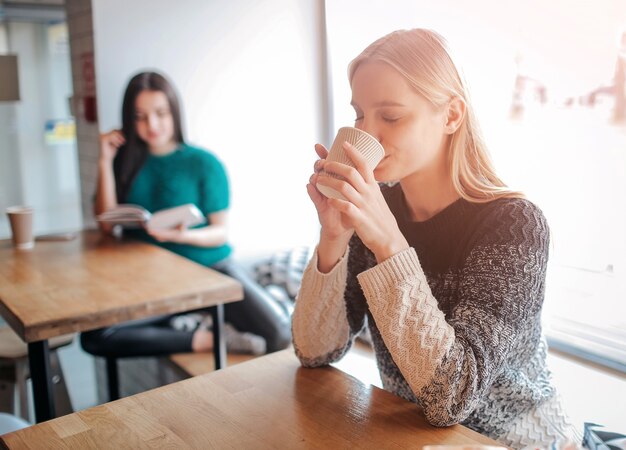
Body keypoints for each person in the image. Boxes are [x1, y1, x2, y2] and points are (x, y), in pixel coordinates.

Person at [292, 29, 581, 449]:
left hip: (519, 441)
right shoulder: (374, 212)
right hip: (417, 436)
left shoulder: (515, 226)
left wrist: (389, 244)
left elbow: (452, 395)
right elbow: (314, 352)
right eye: (359, 115)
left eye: (390, 117)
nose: (367, 134)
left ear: (451, 116)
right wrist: (333, 238)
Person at [81, 71, 291, 358]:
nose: (151, 125)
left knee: (279, 333)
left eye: (160, 113)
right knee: (96, 337)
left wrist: (183, 235)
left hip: (211, 270)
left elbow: (220, 232)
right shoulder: (122, 162)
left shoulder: (203, 163)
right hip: (154, 281)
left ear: (175, 113)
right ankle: (204, 338)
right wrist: (105, 160)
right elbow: (106, 225)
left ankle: (205, 322)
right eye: (140, 116)